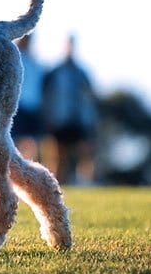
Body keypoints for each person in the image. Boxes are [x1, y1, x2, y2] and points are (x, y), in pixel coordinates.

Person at [42, 35, 98, 184]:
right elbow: (46, 98)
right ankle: (57, 189)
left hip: (79, 121)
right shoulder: (54, 72)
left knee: (86, 155)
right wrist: (48, 119)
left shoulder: (82, 73)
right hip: (59, 121)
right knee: (59, 158)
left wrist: (90, 121)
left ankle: (87, 185)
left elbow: (89, 98)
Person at [12, 34, 45, 161]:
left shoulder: (35, 63)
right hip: (16, 107)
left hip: (33, 108)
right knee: (14, 141)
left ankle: (29, 170)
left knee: (33, 142)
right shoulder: (12, 58)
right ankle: (12, 171)